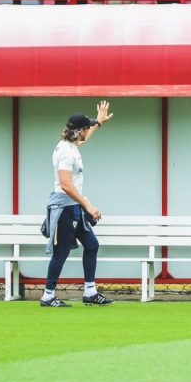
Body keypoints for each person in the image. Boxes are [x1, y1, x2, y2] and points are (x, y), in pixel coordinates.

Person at [41, 101, 115, 308]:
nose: (87, 131)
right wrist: (88, 206)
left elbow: (83, 141)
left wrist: (99, 122)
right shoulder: (66, 152)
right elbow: (65, 184)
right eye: (87, 127)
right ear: (79, 130)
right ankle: (48, 295)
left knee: (91, 245)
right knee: (62, 251)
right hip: (65, 207)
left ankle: (90, 292)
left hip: (74, 206)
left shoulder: (70, 146)